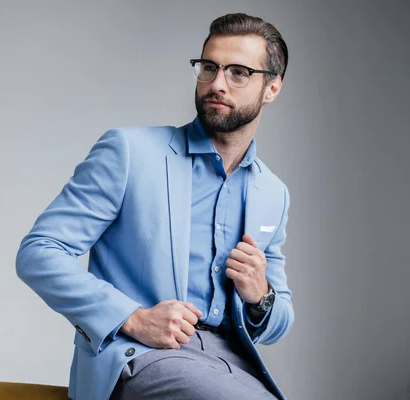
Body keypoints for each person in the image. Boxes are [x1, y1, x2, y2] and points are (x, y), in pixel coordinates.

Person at [16, 12, 294, 400]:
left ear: (272, 88)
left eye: (238, 72)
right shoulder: (131, 152)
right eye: (209, 67)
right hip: (141, 357)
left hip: (231, 364)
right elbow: (38, 253)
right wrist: (132, 317)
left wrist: (260, 294)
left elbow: (280, 321)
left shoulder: (272, 193)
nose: (217, 84)